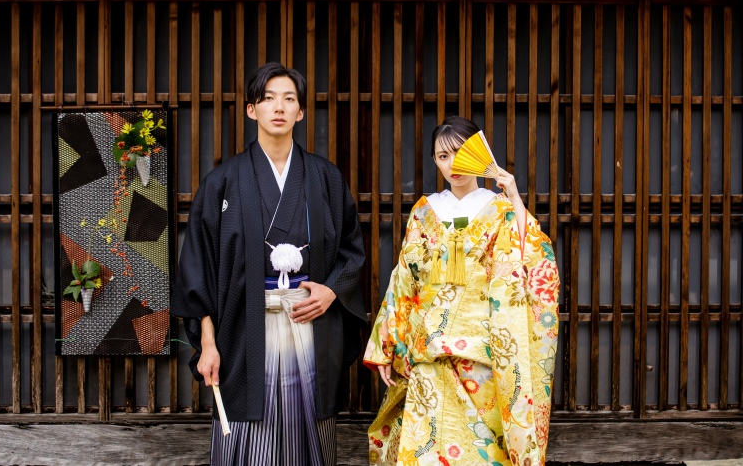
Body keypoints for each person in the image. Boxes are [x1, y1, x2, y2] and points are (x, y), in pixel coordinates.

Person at [171, 62, 367, 466]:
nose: (278, 107)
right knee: (247, 435)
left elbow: (352, 250)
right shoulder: (223, 181)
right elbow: (198, 268)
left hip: (310, 320)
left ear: (300, 112)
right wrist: (207, 344)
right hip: (244, 328)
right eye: (268, 98)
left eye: (289, 99)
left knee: (309, 430)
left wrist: (331, 290)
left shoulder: (325, 178)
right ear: (251, 110)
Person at [363, 116, 560, 466]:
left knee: (479, 450)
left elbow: (530, 260)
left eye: (460, 153)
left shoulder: (500, 210)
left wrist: (514, 197)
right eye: (442, 156)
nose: (452, 164)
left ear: (479, 154)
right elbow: (404, 279)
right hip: (427, 346)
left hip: (481, 348)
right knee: (423, 449)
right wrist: (388, 343)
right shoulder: (425, 211)